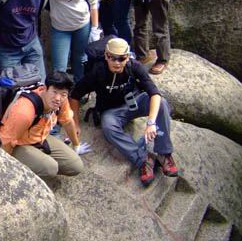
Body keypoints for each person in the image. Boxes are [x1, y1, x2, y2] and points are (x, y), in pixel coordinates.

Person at [68, 38, 177, 186]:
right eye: (112, 57)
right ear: (106, 56)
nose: (117, 62)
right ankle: (143, 160)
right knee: (108, 126)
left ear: (127, 57)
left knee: (162, 103)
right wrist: (74, 123)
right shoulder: (98, 71)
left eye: (121, 58)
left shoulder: (134, 66)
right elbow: (74, 95)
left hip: (135, 102)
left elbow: (155, 94)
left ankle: (164, 154)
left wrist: (151, 122)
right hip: (112, 112)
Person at [0, 71, 87, 179]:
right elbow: (6, 140)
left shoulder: (61, 101)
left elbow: (67, 122)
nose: (58, 98)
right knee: (50, 168)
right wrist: (4, 167)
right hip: (17, 143)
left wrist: (76, 146)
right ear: (45, 88)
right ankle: (26, 167)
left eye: (63, 94)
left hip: (39, 136)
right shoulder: (24, 111)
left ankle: (37, 158)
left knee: (75, 166)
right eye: (54, 92)